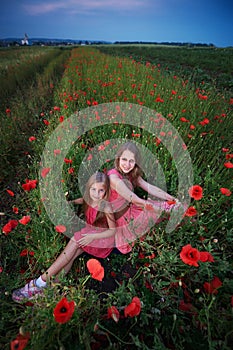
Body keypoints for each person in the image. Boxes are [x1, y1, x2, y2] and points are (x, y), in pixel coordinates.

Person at [12, 172, 116, 303]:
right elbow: (82, 200)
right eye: (93, 189)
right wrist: (69, 202)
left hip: (102, 239)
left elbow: (112, 231)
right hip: (90, 234)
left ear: (106, 192)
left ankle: (39, 282)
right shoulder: (90, 198)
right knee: (72, 255)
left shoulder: (106, 206)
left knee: (75, 240)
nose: (96, 193)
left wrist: (92, 236)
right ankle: (50, 289)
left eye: (101, 190)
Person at [107, 141, 181, 254]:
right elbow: (137, 201)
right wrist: (164, 211)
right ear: (118, 159)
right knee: (166, 211)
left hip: (132, 208)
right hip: (122, 218)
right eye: (124, 160)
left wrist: (171, 199)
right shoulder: (114, 178)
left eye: (131, 161)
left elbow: (149, 187)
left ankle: (190, 225)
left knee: (175, 207)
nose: (127, 164)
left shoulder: (130, 173)